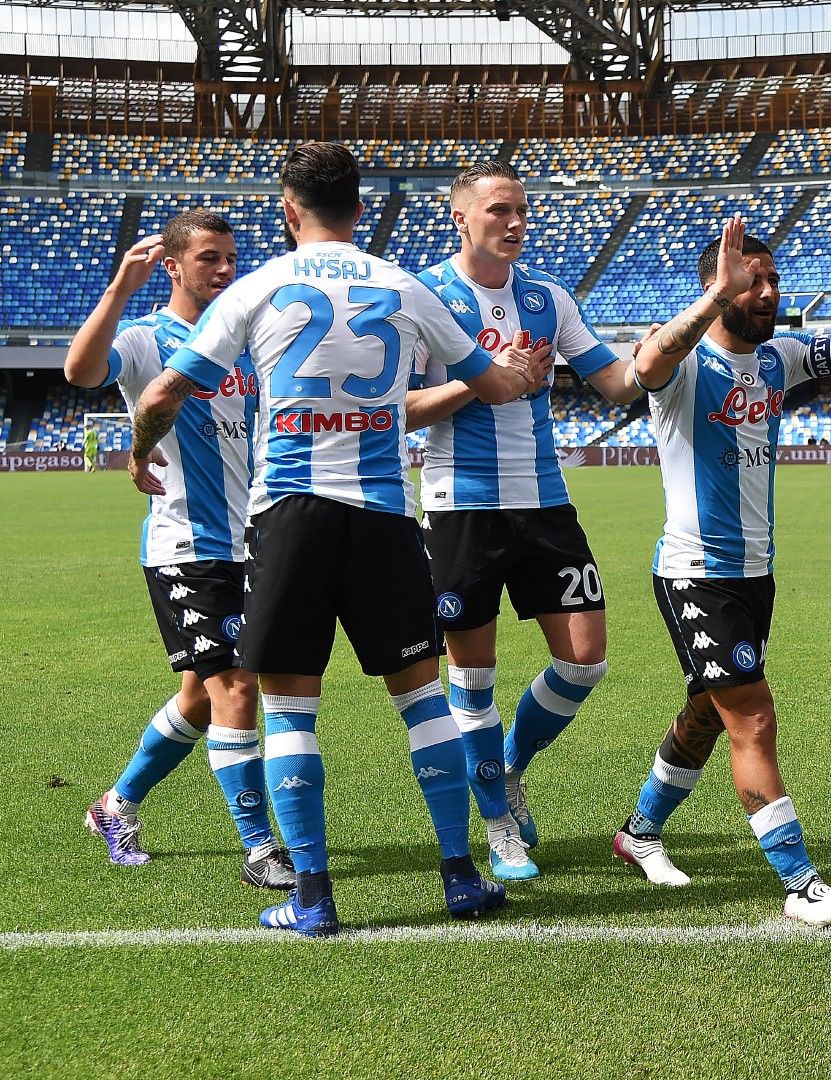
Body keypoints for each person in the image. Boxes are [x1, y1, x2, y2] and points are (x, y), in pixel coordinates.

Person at [129, 142, 541, 936]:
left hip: (290, 519)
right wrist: (517, 374)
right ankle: (460, 875)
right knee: (425, 701)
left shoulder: (258, 286)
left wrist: (143, 446)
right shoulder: (404, 286)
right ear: (361, 208)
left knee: (288, 713)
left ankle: (313, 898)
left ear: (289, 211)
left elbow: (164, 388)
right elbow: (489, 386)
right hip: (386, 516)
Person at [614, 215, 831, 927]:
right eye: (755, 280)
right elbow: (644, 364)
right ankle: (800, 882)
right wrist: (716, 296)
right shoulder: (683, 367)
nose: (769, 292)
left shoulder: (780, 359)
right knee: (754, 719)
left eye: (773, 280)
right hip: (695, 572)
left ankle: (639, 833)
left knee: (709, 710)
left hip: (755, 573)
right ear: (722, 284)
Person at [406, 161, 640, 881]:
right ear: (461, 218)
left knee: (585, 657)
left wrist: (672, 343)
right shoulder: (426, 299)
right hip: (461, 507)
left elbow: (617, 381)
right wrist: (486, 380)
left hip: (545, 502)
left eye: (521, 211)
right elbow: (398, 410)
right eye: (499, 210)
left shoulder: (547, 297)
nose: (514, 223)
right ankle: (499, 828)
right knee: (473, 679)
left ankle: (507, 765)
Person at [64, 211, 293, 890]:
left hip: (252, 540)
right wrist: (116, 292)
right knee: (237, 687)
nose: (225, 270)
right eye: (209, 259)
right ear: (173, 266)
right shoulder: (147, 339)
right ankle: (259, 848)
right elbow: (81, 372)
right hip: (186, 543)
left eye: (230, 259)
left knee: (199, 695)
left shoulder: (246, 343)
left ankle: (116, 805)